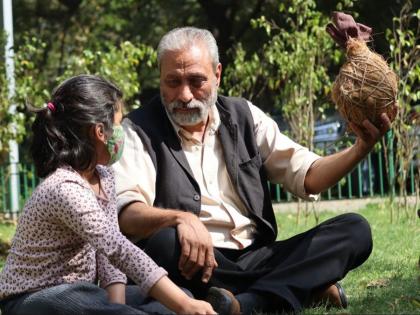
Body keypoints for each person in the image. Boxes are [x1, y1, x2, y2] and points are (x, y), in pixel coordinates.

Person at [113, 27, 394, 315]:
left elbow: (309, 176)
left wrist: (360, 148)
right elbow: (127, 213)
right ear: (160, 78)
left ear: (217, 75)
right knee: (164, 243)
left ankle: (246, 303)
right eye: (173, 82)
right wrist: (180, 218)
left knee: (354, 229)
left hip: (259, 255)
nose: (184, 95)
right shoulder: (138, 130)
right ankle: (298, 289)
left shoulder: (243, 115)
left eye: (196, 81)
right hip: (198, 262)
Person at [0, 75, 214, 315]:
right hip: (33, 299)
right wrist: (183, 307)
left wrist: (118, 307)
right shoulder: (64, 189)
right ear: (100, 131)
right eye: (119, 123)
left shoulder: (104, 177)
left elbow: (109, 257)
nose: (121, 133)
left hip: (84, 292)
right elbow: (119, 249)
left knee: (175, 296)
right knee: (170, 304)